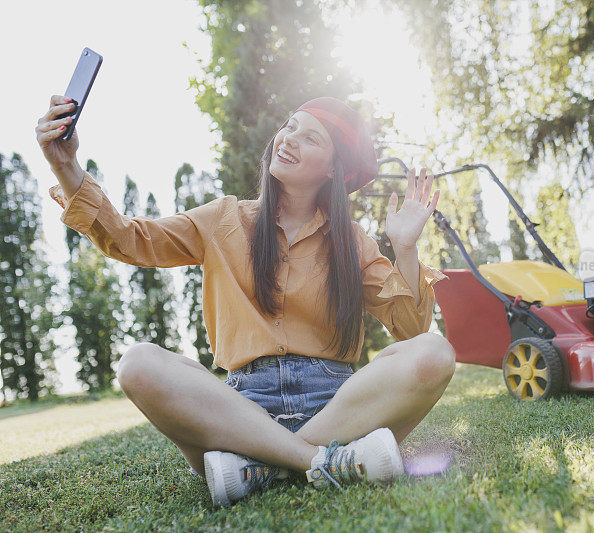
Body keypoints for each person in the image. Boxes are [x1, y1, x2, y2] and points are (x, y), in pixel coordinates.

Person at [36, 94, 457, 507]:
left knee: (436, 353)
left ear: (333, 170)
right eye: (290, 127)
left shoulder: (351, 242)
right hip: (239, 410)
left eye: (310, 138)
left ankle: (262, 465)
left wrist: (405, 247)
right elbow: (132, 239)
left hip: (335, 407)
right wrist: (66, 165)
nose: (288, 139)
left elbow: (411, 331)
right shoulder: (224, 219)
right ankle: (324, 460)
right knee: (138, 364)